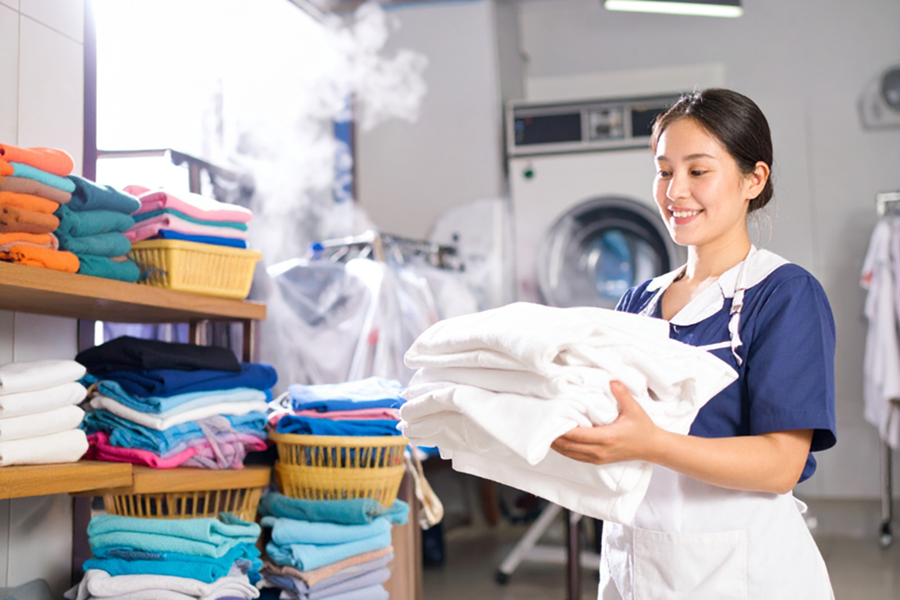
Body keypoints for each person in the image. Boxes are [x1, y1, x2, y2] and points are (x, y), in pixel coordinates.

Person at [551, 88, 837, 599]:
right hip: (635, 564)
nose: (675, 191)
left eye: (697, 171)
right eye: (664, 171)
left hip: (742, 572)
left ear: (754, 179)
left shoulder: (783, 294)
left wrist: (652, 444)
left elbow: (780, 465)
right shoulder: (639, 300)